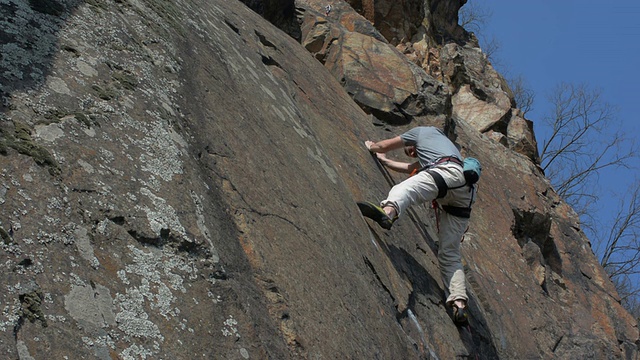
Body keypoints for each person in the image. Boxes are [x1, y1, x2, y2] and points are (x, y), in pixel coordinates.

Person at [362, 126, 476, 325]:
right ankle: (459, 304)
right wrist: (385, 161)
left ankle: (388, 213)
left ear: (413, 141)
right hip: (464, 195)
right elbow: (409, 168)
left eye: (410, 149)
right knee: (449, 253)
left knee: (405, 189)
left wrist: (372, 147)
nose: (411, 152)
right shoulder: (442, 148)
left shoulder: (421, 132)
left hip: (447, 174)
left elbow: (384, 145)